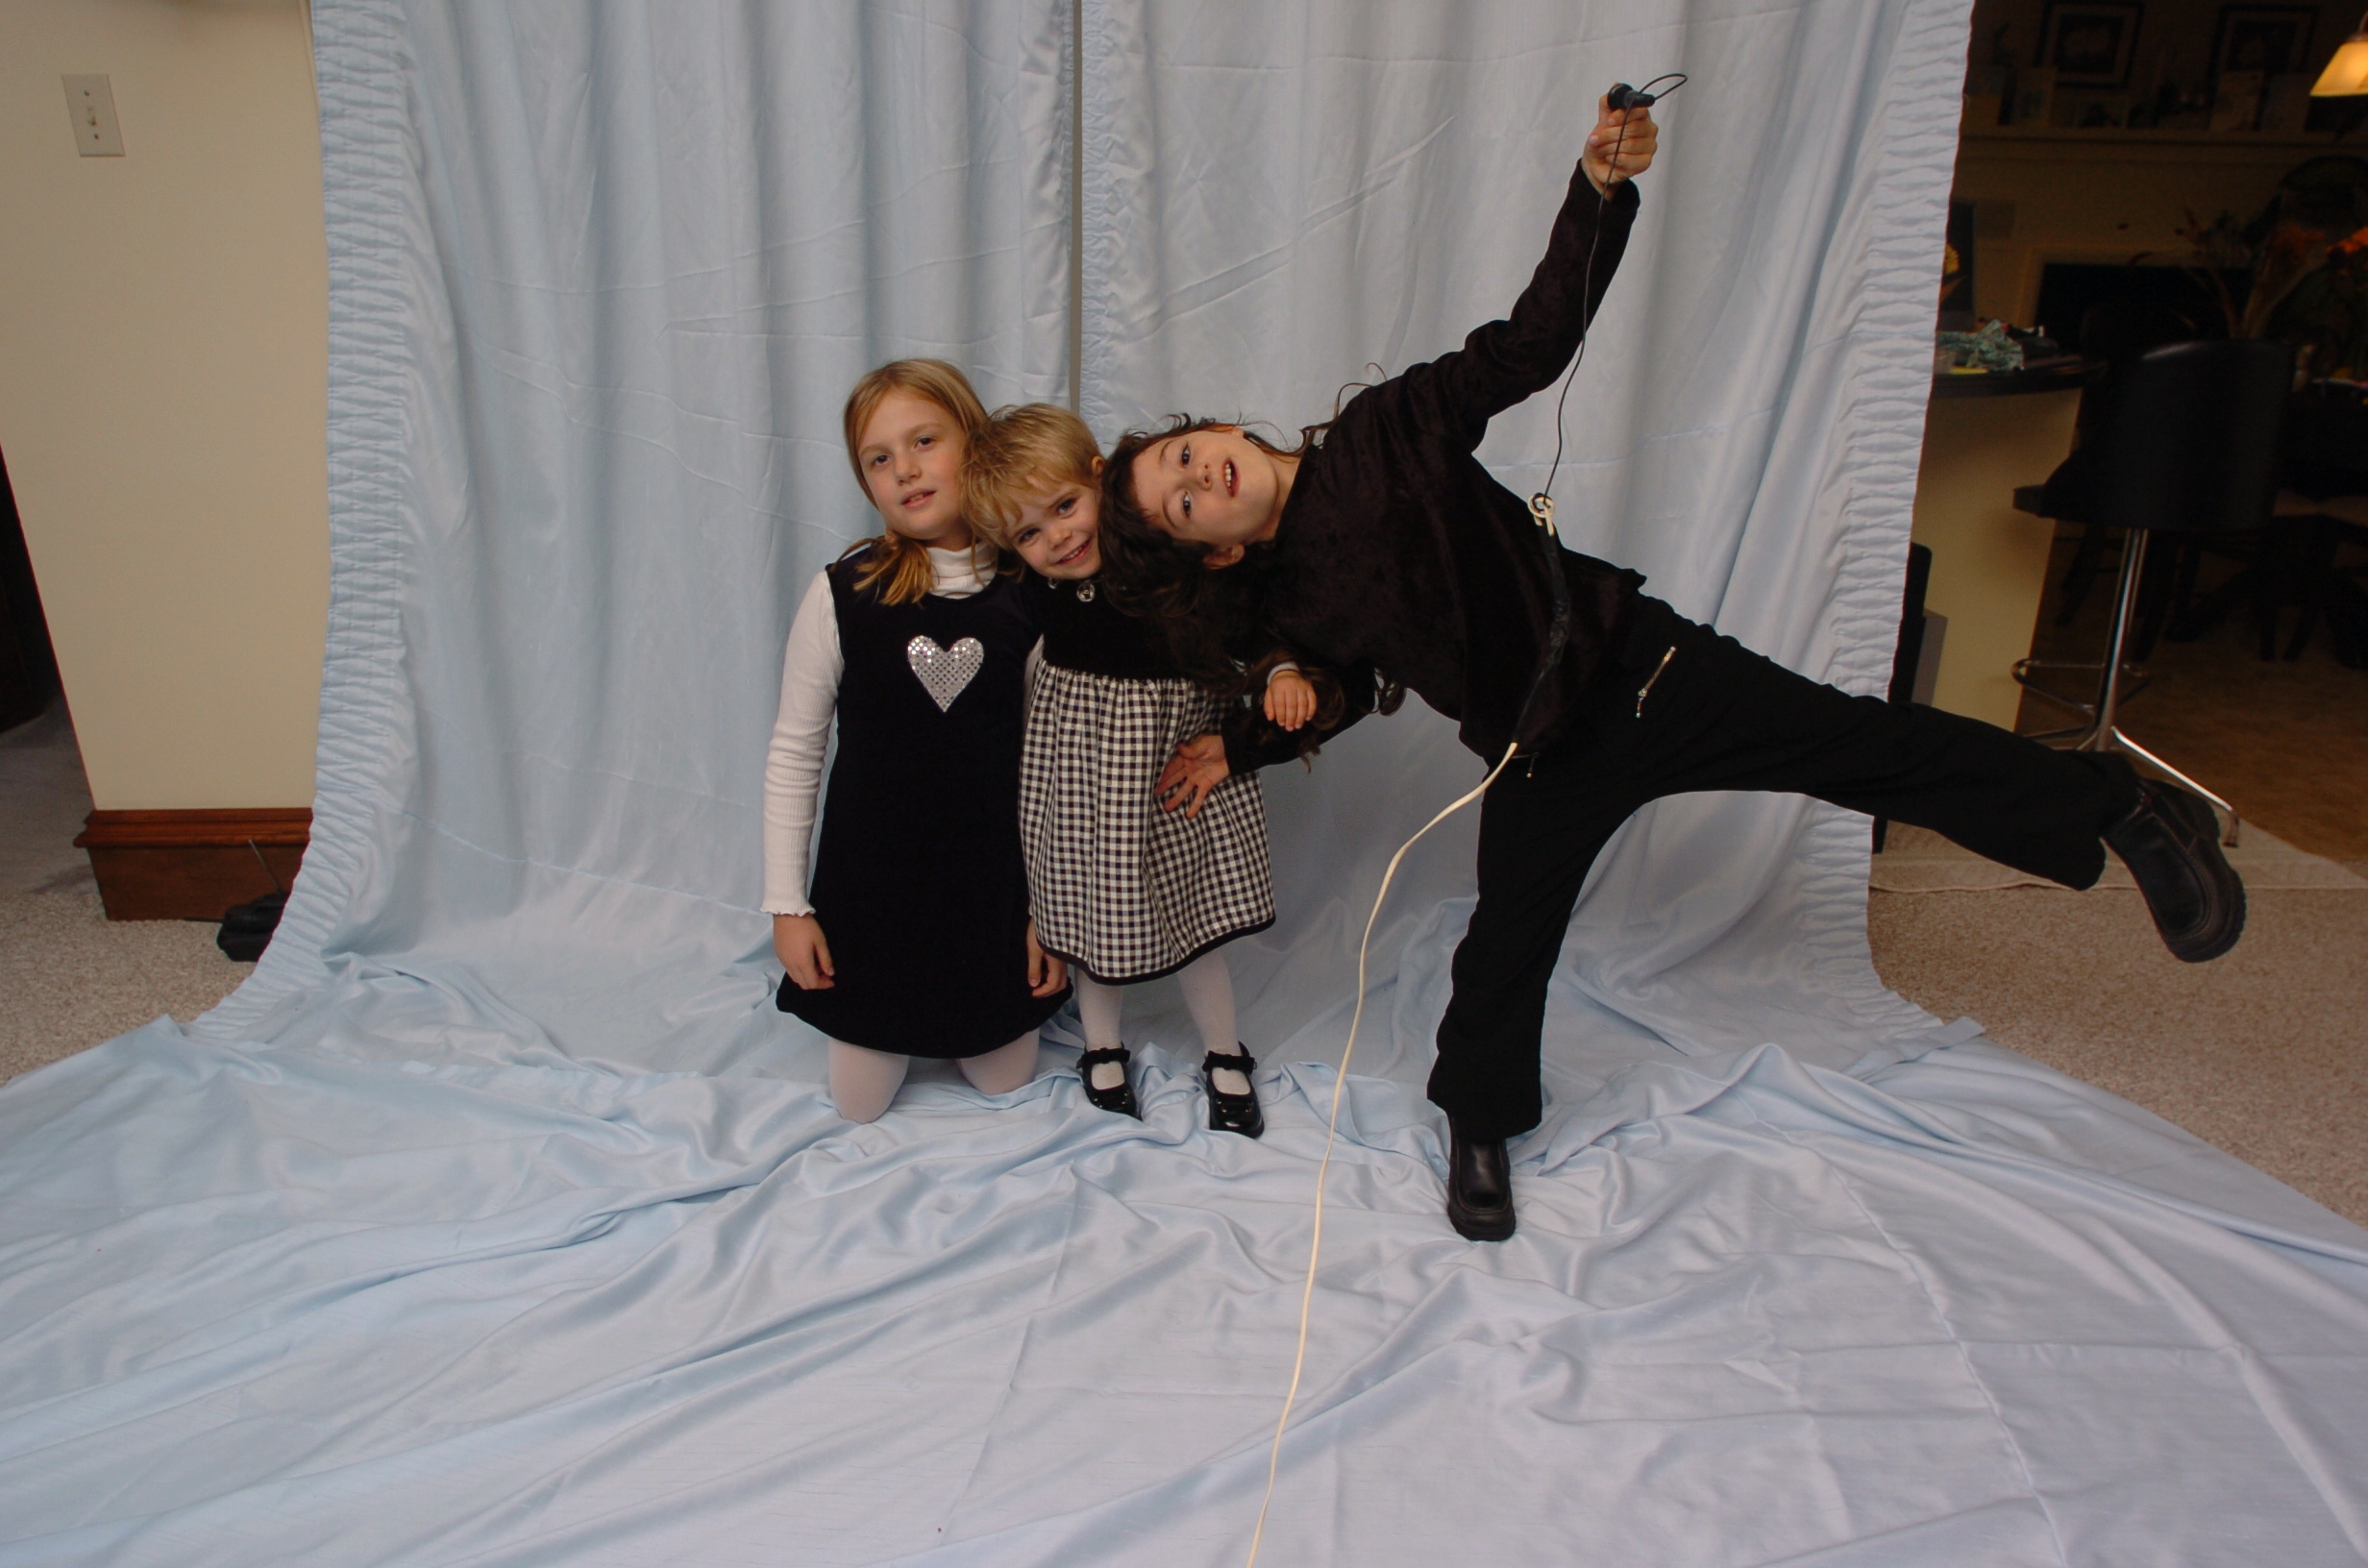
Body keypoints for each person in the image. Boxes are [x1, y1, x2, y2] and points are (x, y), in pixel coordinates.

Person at [1097, 98, 2244, 1241]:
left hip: (1645, 671)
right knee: (1503, 947)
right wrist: (1263, 725)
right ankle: (1480, 1122)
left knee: (1872, 752)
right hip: (1540, 752)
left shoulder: (1389, 427)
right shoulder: (1288, 604)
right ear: (1215, 551)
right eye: (1180, 503)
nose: (1200, 478)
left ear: (1229, 433)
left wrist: (1598, 192)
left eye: (1189, 455)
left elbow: (1532, 341)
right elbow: (1341, 690)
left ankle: (2119, 805)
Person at [964, 403, 1346, 1134]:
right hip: (1086, 785)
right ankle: (1101, 1045)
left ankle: (1224, 1050)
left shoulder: (1168, 558)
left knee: (1191, 919)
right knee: (1095, 923)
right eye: (1029, 534)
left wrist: (1281, 671)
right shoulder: (1038, 589)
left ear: (1100, 480)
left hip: (1172, 772)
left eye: (1066, 507)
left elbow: (1251, 620)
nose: (1059, 537)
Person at [763, 359, 1070, 1123]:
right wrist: (787, 907)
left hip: (990, 899)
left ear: (975, 442)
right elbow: (795, 752)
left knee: (1005, 1083)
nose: (904, 469)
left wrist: (1051, 915)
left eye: (924, 441)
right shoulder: (844, 593)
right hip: (870, 901)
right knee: (860, 1107)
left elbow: (1055, 771)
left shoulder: (1030, 598)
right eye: (879, 458)